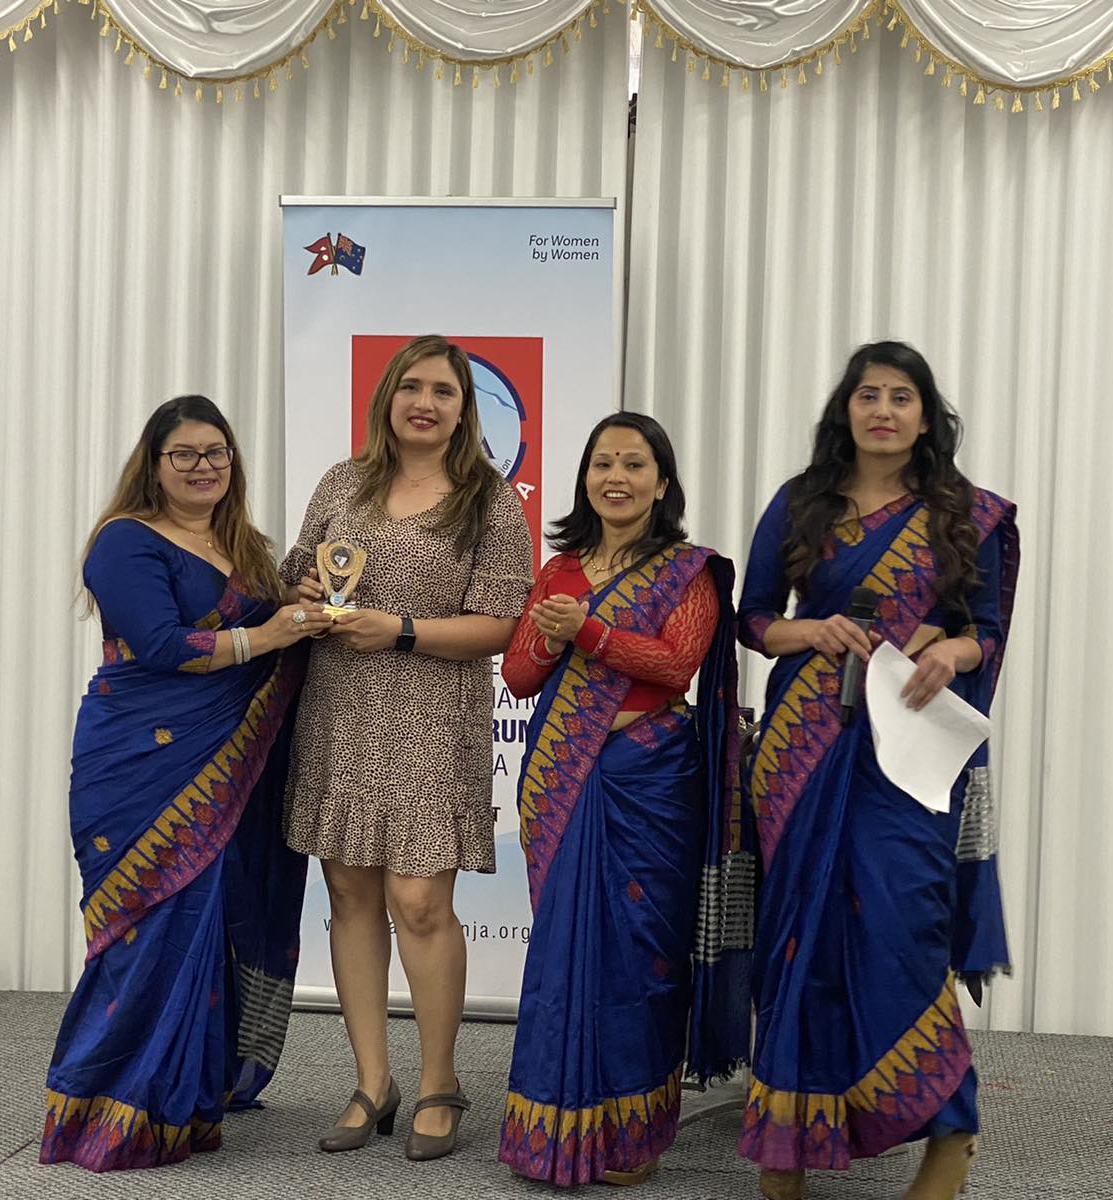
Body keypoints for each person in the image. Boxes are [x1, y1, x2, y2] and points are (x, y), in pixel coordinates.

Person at [735, 342, 1020, 1200]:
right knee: (801, 935)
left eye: (902, 397)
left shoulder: (966, 516)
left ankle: (951, 1133)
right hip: (800, 747)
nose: (884, 410)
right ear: (846, 409)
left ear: (926, 418)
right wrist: (810, 631)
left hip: (909, 752)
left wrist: (954, 650)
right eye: (869, 395)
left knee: (903, 926)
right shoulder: (801, 503)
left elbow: (987, 629)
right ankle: (788, 1138)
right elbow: (753, 618)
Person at [41, 395, 325, 1172]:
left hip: (229, 766)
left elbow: (273, 638)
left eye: (216, 452)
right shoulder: (125, 541)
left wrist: (302, 613)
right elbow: (164, 646)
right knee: (151, 923)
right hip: (141, 759)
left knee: (217, 918)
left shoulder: (247, 547)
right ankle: (113, 1106)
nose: (203, 466)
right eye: (186, 454)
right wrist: (268, 633)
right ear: (155, 463)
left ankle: (191, 1092)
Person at [280, 335, 534, 1161]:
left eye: (444, 391)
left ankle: (438, 1082)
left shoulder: (490, 501)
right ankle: (372, 1082)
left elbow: (502, 625)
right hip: (340, 710)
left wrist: (400, 630)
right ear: (387, 396)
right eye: (412, 387)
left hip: (431, 717)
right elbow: (296, 573)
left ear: (465, 410)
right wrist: (304, 589)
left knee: (420, 902)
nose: (426, 403)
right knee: (349, 893)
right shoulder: (340, 483)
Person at [496, 413, 753, 1187]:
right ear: (585, 478)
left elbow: (677, 665)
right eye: (602, 463)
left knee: (643, 952)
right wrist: (551, 635)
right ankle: (554, 1128)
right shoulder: (560, 569)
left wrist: (589, 632)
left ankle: (635, 1132)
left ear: (661, 482)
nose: (616, 477)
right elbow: (519, 677)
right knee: (565, 953)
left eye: (634, 464)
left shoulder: (688, 571)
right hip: (562, 777)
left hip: (652, 779)